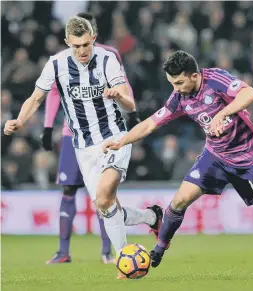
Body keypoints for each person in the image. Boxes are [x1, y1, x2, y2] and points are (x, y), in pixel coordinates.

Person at [102, 50, 253, 277]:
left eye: (179, 83)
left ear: (194, 76)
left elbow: (251, 93)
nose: (175, 89)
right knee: (178, 201)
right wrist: (122, 141)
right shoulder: (179, 98)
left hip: (248, 158)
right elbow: (150, 124)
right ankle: (159, 251)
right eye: (172, 84)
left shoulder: (215, 79)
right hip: (215, 157)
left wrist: (223, 113)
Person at [3, 16, 162, 279]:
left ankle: (124, 259)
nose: (82, 51)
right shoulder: (56, 64)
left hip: (114, 138)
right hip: (83, 147)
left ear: (94, 40)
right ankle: (151, 218)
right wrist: (20, 121)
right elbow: (36, 97)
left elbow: (131, 105)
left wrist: (118, 95)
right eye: (76, 46)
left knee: (104, 195)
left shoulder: (108, 59)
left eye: (86, 44)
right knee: (107, 206)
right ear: (67, 43)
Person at [41, 12, 157, 266]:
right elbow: (51, 94)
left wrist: (133, 113)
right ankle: (63, 251)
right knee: (70, 190)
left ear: (92, 33)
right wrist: (48, 127)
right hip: (74, 137)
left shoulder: (108, 55)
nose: (82, 45)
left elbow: (124, 86)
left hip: (107, 135)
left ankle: (109, 251)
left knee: (105, 198)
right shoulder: (61, 63)